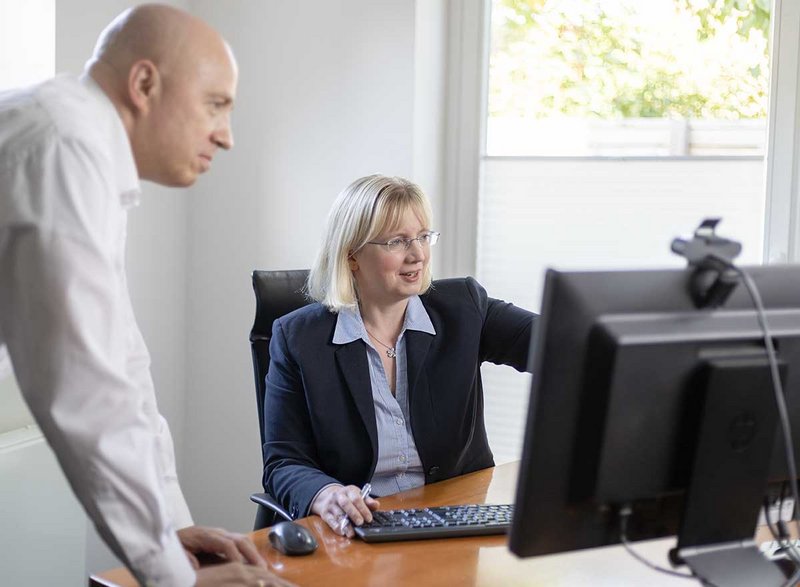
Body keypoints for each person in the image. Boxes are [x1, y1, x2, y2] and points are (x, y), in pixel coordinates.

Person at [0, 5, 291, 587]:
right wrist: (173, 580)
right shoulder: (65, 145)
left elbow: (124, 367)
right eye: (216, 104)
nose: (227, 136)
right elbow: (86, 387)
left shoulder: (85, 148)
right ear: (143, 84)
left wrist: (173, 533)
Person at [262, 174, 537, 536]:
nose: (418, 254)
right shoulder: (298, 338)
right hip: (358, 532)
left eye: (424, 236)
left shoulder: (465, 308)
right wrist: (325, 494)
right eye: (397, 241)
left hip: (454, 524)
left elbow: (557, 345)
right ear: (352, 256)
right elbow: (283, 462)